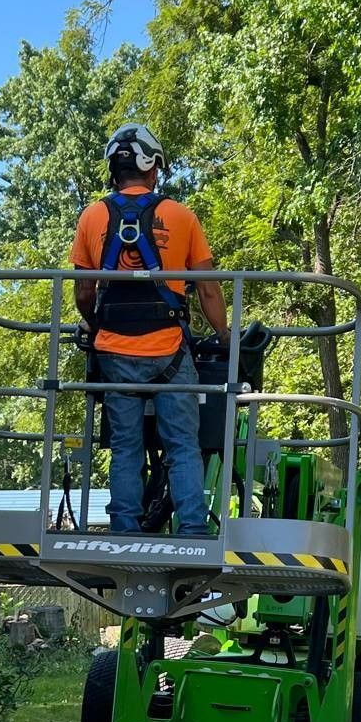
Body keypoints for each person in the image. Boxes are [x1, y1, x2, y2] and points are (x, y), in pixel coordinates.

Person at [71, 124, 230, 535]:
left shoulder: (92, 216)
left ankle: (124, 527)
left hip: (114, 352)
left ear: (114, 170)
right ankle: (193, 528)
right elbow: (209, 290)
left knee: (126, 446)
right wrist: (226, 338)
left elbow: (84, 292)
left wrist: (91, 323)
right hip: (171, 353)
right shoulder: (181, 216)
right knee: (182, 446)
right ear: (152, 168)